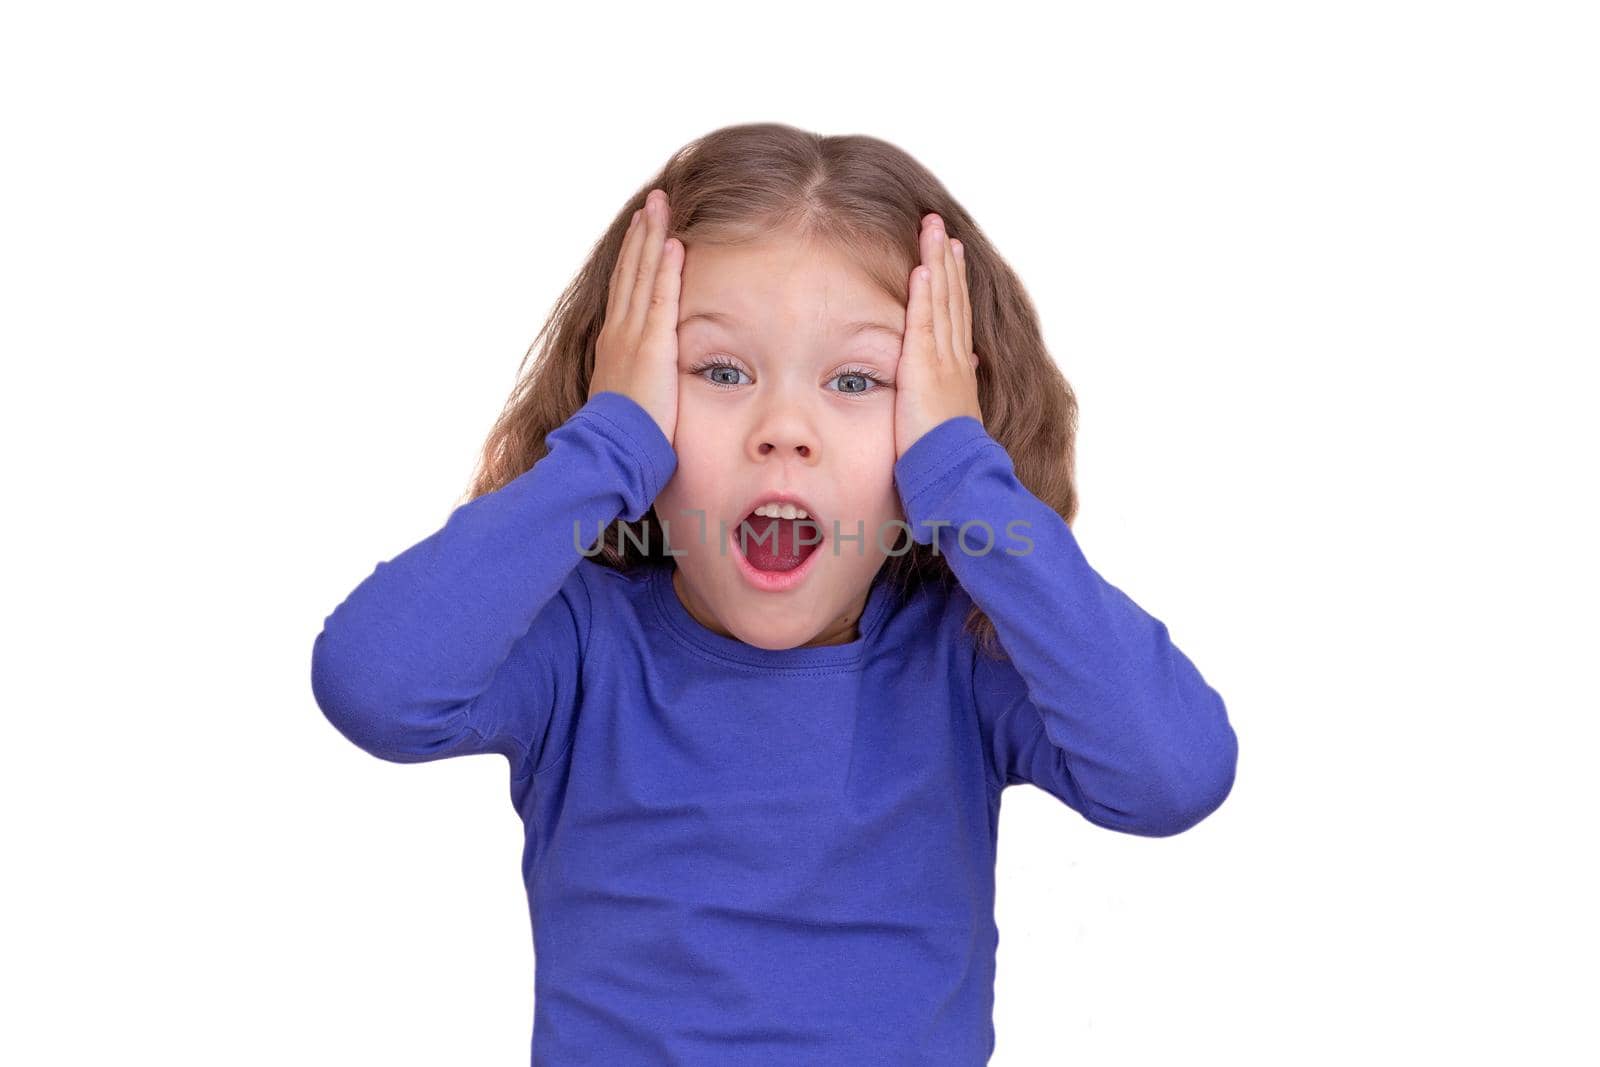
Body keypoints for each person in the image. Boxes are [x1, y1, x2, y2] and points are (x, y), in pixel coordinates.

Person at [310, 122, 1239, 1066]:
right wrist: (604, 449)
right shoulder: (582, 645)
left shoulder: (960, 656)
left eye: (856, 379)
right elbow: (374, 686)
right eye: (718, 371)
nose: (784, 428)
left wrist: (965, 479)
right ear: (624, 395)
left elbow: (1174, 775)